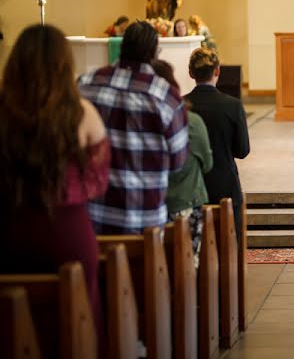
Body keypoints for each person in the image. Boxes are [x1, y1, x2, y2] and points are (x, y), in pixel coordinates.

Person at [0, 25, 110, 334]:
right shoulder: (81, 113)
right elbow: (98, 181)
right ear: (65, 65)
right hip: (66, 231)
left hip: (8, 228)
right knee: (79, 323)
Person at [79, 21, 189, 234]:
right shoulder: (165, 96)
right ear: (154, 53)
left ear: (122, 47)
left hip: (93, 218)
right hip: (144, 222)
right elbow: (178, 162)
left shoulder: (86, 83)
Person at [184, 47, 250, 238]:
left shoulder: (180, 106)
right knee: (230, 244)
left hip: (192, 188)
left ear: (190, 73)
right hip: (225, 186)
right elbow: (242, 150)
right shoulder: (232, 105)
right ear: (217, 71)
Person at [152, 59, 212, 262]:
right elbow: (207, 163)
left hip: (150, 206)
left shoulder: (136, 119)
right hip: (185, 201)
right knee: (186, 264)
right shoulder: (190, 120)